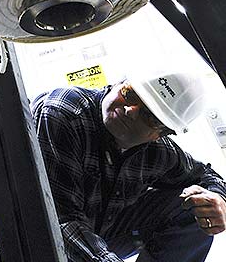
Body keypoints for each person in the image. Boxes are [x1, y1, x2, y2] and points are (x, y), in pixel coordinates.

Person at [32, 72, 226, 262]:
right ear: (120, 82)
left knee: (196, 208)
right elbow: (60, 222)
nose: (130, 110)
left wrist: (217, 198)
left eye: (148, 115)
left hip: (101, 233)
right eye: (130, 94)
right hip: (41, 238)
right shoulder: (64, 113)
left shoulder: (157, 151)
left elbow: (207, 177)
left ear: (160, 133)